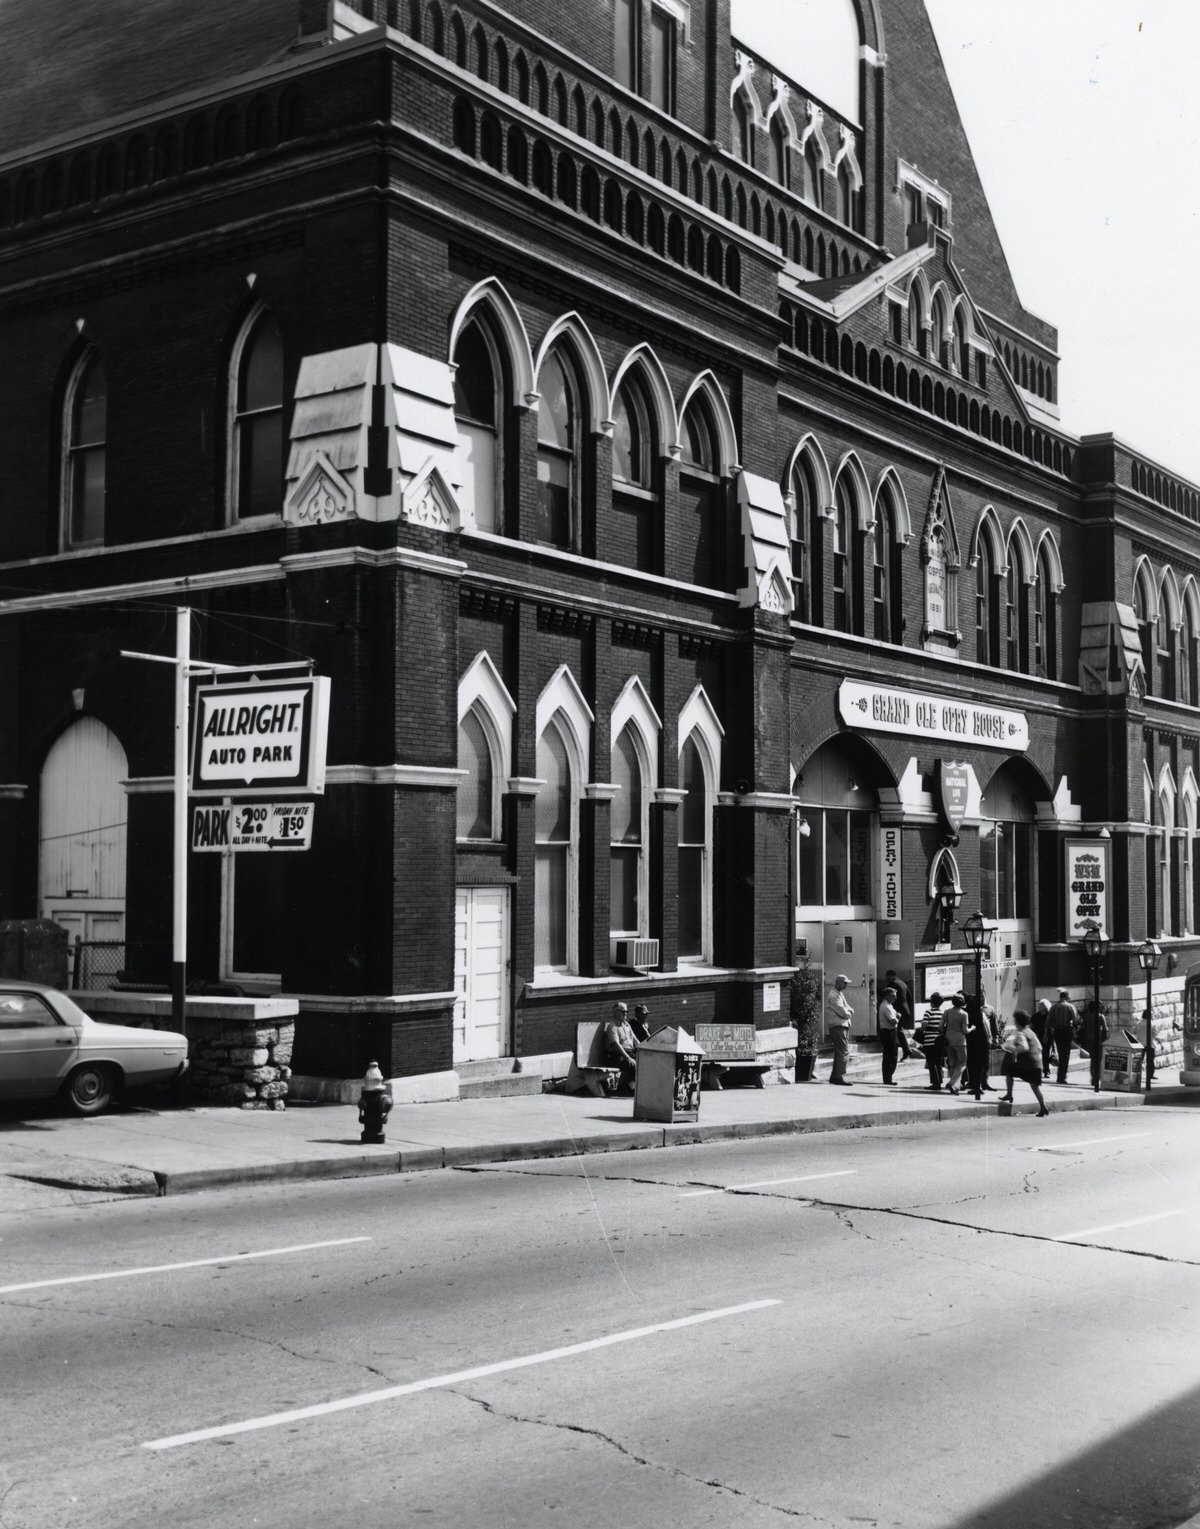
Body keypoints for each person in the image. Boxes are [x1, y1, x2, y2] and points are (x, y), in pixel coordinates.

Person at [1001, 1010, 1049, 1115]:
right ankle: (1043, 1106)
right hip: (1037, 1063)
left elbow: (1023, 1047)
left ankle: (1009, 1094)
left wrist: (1010, 1047)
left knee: (1009, 1070)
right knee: (1034, 1086)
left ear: (1018, 1022)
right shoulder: (1031, 1032)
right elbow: (1039, 1047)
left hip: (1027, 1064)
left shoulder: (1021, 1032)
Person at [604, 1001, 639, 1093]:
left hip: (630, 1053)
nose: (625, 1014)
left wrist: (644, 1051)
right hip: (618, 1055)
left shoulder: (627, 1025)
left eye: (627, 1012)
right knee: (634, 1066)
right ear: (615, 1012)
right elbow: (615, 1045)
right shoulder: (612, 1027)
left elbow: (636, 1041)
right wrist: (628, 1058)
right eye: (623, 1012)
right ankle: (635, 1089)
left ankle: (630, 1086)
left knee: (647, 1063)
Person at [825, 973, 854, 1085]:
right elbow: (843, 1012)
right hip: (838, 1025)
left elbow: (848, 1008)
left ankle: (835, 1076)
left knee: (840, 1052)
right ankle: (839, 1076)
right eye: (845, 983)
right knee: (843, 1051)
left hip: (840, 1025)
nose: (846, 985)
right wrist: (849, 1012)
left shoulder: (839, 994)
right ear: (838, 982)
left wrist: (848, 1011)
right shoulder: (834, 995)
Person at [1077, 1000, 1109, 1092]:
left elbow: (1083, 1026)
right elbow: (1105, 1030)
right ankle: (1096, 1078)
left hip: (1089, 1040)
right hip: (1098, 1041)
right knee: (1098, 1060)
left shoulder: (1087, 1016)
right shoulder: (1100, 1017)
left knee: (1093, 1059)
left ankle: (1093, 1077)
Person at [1048, 988, 1079, 1085]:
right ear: (1066, 997)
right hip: (1066, 1031)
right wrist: (1075, 1028)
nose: (1070, 998)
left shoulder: (1053, 1007)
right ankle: (1062, 1077)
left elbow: (1048, 1021)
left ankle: (1060, 1076)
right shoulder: (1070, 1007)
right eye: (1069, 997)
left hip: (1057, 1032)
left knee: (1060, 1053)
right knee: (1065, 1055)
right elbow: (1075, 1021)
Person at [886, 970, 918, 1059]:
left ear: (891, 976)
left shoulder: (893, 984)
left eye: (887, 977)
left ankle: (906, 1049)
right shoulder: (903, 983)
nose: (886, 979)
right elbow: (910, 997)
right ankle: (906, 1049)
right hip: (905, 1009)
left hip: (898, 1010)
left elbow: (886, 994)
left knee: (899, 1030)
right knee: (899, 1030)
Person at [964, 993, 991, 1099]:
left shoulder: (967, 1013)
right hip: (982, 1041)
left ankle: (976, 1086)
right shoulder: (980, 1013)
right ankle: (977, 1085)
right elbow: (986, 1027)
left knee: (972, 1064)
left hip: (972, 1041)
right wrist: (989, 1038)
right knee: (980, 1065)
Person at [943, 992, 969, 1094]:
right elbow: (965, 1030)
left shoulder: (947, 1012)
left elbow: (940, 1027)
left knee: (953, 1063)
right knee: (962, 1063)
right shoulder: (964, 1014)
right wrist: (972, 1028)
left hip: (948, 1039)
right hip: (960, 1040)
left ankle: (955, 1086)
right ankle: (952, 1083)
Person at [919, 992, 947, 1091]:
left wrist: (923, 1027)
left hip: (930, 1040)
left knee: (931, 1062)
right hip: (939, 1040)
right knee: (938, 1062)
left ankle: (935, 1083)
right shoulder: (943, 1013)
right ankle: (939, 1081)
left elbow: (924, 1025)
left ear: (932, 1002)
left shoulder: (928, 1012)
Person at [877, 985, 900, 1085]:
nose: (895, 998)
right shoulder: (886, 1006)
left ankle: (888, 1077)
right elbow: (893, 1021)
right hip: (888, 1032)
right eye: (893, 996)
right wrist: (898, 1018)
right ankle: (888, 1078)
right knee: (890, 1056)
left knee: (891, 1055)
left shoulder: (889, 1005)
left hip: (890, 1032)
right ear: (887, 996)